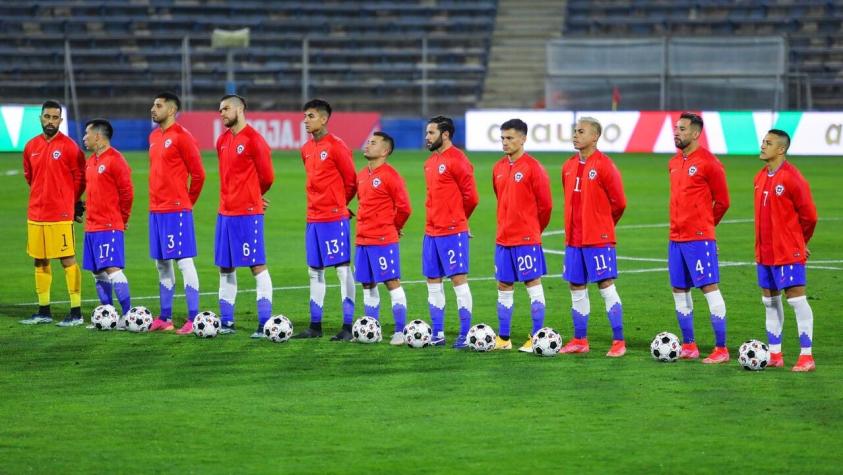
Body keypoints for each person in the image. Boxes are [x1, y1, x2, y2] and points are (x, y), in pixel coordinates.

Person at [558, 117, 628, 357]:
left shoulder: (605, 165)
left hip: (597, 238)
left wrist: (604, 226)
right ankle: (580, 340)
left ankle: (619, 342)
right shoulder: (567, 166)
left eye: (581, 131)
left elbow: (619, 202)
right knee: (576, 286)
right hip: (574, 239)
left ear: (595, 137)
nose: (575, 135)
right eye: (574, 131)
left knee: (605, 285)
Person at [668, 112, 731, 363]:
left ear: (695, 133)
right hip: (675, 238)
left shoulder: (709, 162)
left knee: (708, 287)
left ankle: (721, 349)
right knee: (679, 289)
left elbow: (723, 201)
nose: (676, 132)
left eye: (682, 129)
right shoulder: (674, 162)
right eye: (676, 128)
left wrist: (706, 228)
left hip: (698, 238)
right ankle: (689, 345)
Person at [754, 129, 818, 372]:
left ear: (781, 149)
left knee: (797, 301)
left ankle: (806, 356)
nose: (762, 146)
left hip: (787, 252)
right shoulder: (760, 177)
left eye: (768, 143)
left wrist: (800, 243)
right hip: (765, 252)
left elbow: (810, 216)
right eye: (763, 142)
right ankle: (774, 354)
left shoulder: (792, 178)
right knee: (769, 302)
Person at [295, 99, 358, 341]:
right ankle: (315, 326)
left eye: (310, 116)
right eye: (304, 116)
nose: (305, 121)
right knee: (315, 272)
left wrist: (340, 206)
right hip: (313, 219)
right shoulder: (306, 149)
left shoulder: (337, 146)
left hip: (333, 219)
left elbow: (351, 181)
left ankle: (348, 326)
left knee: (342, 271)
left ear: (324, 119)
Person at [20, 100, 87, 326]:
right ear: (40, 118)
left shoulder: (70, 147)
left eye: (54, 117)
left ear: (61, 120)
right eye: (47, 117)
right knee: (40, 260)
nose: (50, 121)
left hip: (60, 214)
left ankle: (76, 312)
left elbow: (80, 179)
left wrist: (71, 201)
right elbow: (29, 176)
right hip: (36, 214)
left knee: (67, 259)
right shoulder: (30, 146)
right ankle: (43, 310)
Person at [214, 94, 275, 338]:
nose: (222, 113)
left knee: (256, 265)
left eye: (226, 108)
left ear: (240, 110)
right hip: (224, 213)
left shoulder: (254, 140)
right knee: (225, 267)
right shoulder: (222, 140)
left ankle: (264, 323)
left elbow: (267, 176)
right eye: (220, 110)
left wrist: (252, 196)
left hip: (247, 215)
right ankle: (226, 322)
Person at [147, 92, 206, 334]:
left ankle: (193, 319)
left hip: (176, 210)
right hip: (156, 210)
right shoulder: (153, 136)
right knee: (162, 264)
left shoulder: (183, 137)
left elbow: (199, 174)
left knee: (183, 262)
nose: (153, 108)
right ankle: (165, 317)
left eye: (158, 105)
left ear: (171, 110)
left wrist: (186, 204)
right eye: (153, 104)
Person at [491, 119, 552, 352]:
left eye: (510, 138)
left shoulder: (533, 167)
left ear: (523, 139)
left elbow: (545, 206)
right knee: (503, 286)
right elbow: (501, 198)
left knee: (532, 284)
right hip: (503, 239)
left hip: (526, 239)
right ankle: (503, 339)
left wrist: (533, 230)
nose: (505, 143)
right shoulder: (498, 168)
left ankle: (536, 337)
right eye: (503, 138)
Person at [422, 116, 479, 348]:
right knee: (433, 280)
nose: (427, 137)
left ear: (445, 135)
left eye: (431, 133)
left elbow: (471, 197)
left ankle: (465, 334)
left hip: (451, 231)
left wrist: (459, 221)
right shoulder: (430, 162)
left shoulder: (458, 160)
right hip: (431, 232)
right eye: (427, 133)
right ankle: (437, 333)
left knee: (458, 279)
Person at [354, 132, 412, 345]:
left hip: (382, 239)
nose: (367, 145)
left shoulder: (390, 175)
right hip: (362, 239)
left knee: (391, 282)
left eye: (373, 143)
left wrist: (394, 227)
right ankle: (373, 329)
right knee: (367, 284)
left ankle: (399, 331)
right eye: (368, 141)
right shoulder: (361, 175)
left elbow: (405, 208)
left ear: (385, 150)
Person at [80, 119, 134, 323]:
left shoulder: (116, 160)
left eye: (87, 133)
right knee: (97, 271)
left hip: (108, 225)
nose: (84, 137)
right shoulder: (91, 161)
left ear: (98, 136)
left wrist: (123, 219)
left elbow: (127, 193)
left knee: (112, 268)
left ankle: (128, 314)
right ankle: (108, 315)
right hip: (92, 226)